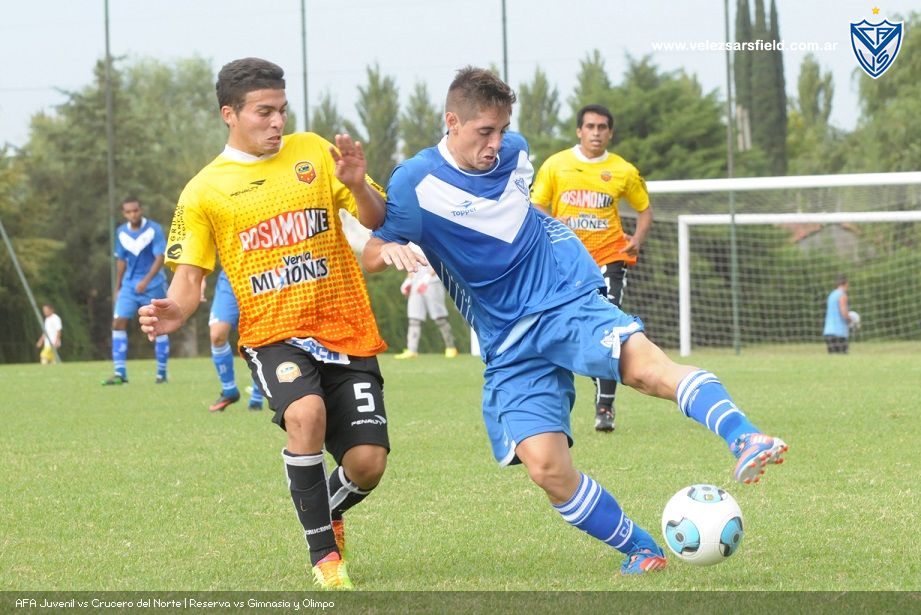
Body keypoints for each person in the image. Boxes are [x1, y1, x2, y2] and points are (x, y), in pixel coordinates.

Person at [362, 66, 788, 577]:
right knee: (546, 467)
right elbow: (373, 246)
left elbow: (524, 217)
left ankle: (745, 436)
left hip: (561, 295)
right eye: (484, 132)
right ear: (451, 122)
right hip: (506, 339)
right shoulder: (415, 181)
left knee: (643, 370)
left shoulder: (517, 151)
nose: (496, 143)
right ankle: (642, 548)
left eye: (502, 130)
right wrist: (387, 247)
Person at [138, 57, 390, 590]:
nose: (277, 122)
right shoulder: (203, 190)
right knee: (305, 412)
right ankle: (325, 557)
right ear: (229, 114)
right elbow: (189, 280)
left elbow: (374, 218)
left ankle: (326, 509)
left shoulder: (314, 151)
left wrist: (358, 185)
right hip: (273, 335)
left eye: (282, 110)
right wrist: (175, 310)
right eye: (263, 112)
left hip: (344, 325)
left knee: (368, 464)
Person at [531, 104, 652, 433]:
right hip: (568, 261)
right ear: (579, 131)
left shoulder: (623, 170)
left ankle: (605, 406)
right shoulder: (556, 165)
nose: (596, 133)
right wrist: (552, 234)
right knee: (564, 326)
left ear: (610, 133)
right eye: (590, 127)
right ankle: (554, 397)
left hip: (609, 257)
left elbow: (645, 209)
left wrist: (637, 239)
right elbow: (537, 204)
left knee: (610, 325)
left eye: (602, 127)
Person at [102, 197, 170, 385]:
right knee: (118, 322)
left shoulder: (154, 229)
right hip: (129, 286)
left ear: (141, 210)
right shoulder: (121, 232)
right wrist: (118, 287)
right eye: (129, 212)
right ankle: (120, 374)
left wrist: (146, 280)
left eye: (135, 210)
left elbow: (160, 257)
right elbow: (121, 261)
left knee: (159, 326)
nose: (133, 214)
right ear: (124, 214)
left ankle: (161, 373)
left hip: (153, 284)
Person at [205, 269, 266, 412]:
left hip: (265, 274)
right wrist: (200, 277)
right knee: (217, 335)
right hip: (231, 276)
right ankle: (229, 390)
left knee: (263, 334)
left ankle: (258, 395)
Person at [395, 243, 459, 359]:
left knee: (439, 318)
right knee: (414, 318)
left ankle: (451, 348)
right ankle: (412, 350)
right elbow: (411, 264)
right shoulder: (410, 243)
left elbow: (440, 261)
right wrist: (408, 280)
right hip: (416, 283)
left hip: (433, 283)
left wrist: (427, 277)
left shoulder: (432, 239)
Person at [823, 275, 854, 354]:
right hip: (839, 332)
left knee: (833, 358)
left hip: (828, 331)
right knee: (843, 358)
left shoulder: (831, 295)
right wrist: (851, 320)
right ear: (846, 283)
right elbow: (843, 312)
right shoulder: (842, 295)